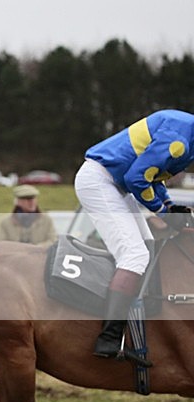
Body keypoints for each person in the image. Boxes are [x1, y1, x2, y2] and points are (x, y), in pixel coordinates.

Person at [75, 109, 194, 360]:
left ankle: (137, 320)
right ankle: (108, 338)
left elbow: (154, 177)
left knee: (147, 246)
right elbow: (137, 178)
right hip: (101, 182)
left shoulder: (187, 136)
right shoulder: (180, 143)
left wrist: (170, 205)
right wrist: (163, 212)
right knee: (135, 255)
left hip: (115, 184)